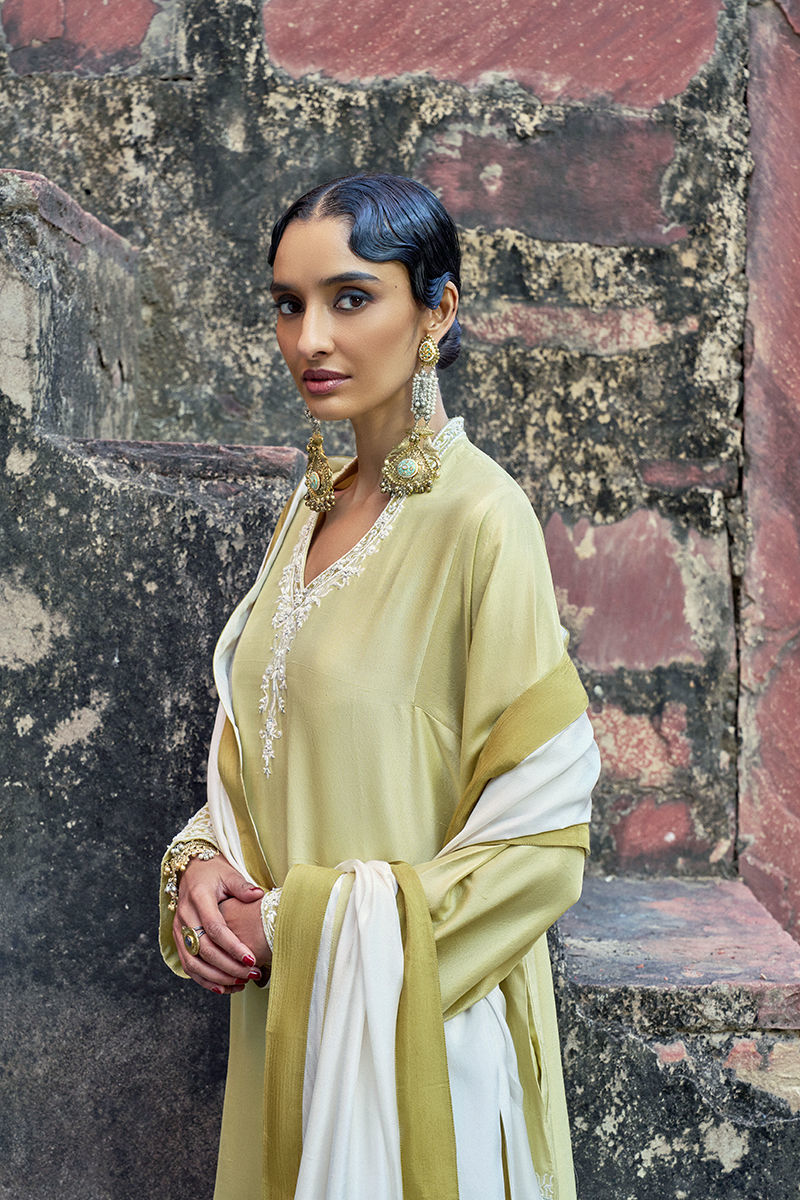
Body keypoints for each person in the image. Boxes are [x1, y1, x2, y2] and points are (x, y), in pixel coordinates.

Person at [158, 173, 600, 1200]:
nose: (310, 338)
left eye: (350, 298)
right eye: (288, 303)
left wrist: (295, 925)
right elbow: (271, 754)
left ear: (436, 310)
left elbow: (538, 845)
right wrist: (204, 863)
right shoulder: (309, 509)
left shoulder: (483, 520)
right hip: (291, 1032)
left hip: (419, 1049)